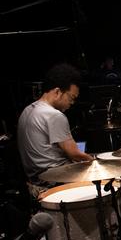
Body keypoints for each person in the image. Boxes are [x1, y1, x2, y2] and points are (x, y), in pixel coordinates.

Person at [17, 63, 94, 198]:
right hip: (56, 182)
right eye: (71, 98)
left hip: (35, 181)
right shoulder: (54, 115)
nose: (72, 103)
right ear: (58, 92)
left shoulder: (27, 110)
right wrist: (95, 161)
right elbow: (74, 154)